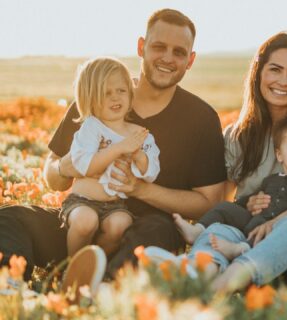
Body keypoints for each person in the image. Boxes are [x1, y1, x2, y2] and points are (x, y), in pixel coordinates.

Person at [0, 9, 226, 286]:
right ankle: (10, 291)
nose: (168, 58)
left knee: (159, 230)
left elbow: (209, 203)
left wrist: (141, 189)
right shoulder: (97, 97)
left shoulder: (201, 118)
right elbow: (52, 175)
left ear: (190, 60)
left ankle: (99, 290)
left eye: (179, 52)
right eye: (159, 47)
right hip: (80, 225)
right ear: (141, 47)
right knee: (9, 218)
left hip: (141, 236)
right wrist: (65, 166)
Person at [148, 32, 287, 292]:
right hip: (249, 236)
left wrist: (274, 222)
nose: (283, 81)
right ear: (258, 72)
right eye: (275, 70)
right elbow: (221, 200)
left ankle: (222, 285)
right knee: (220, 229)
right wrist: (246, 204)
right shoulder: (237, 135)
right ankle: (197, 271)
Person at [173, 115, 287, 260]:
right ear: (280, 155)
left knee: (261, 229)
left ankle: (240, 248)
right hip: (253, 220)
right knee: (224, 207)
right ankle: (197, 230)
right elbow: (250, 199)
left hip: (278, 229)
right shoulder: (271, 180)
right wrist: (247, 203)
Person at [60, 57, 160, 257]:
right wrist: (119, 148)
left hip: (115, 205)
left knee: (121, 224)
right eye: (106, 93)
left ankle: (96, 265)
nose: (115, 98)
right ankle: (71, 267)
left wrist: (139, 156)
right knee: (85, 222)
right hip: (82, 200)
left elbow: (151, 172)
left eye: (121, 91)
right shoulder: (91, 127)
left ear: (130, 94)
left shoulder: (140, 133)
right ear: (89, 98)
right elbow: (84, 166)